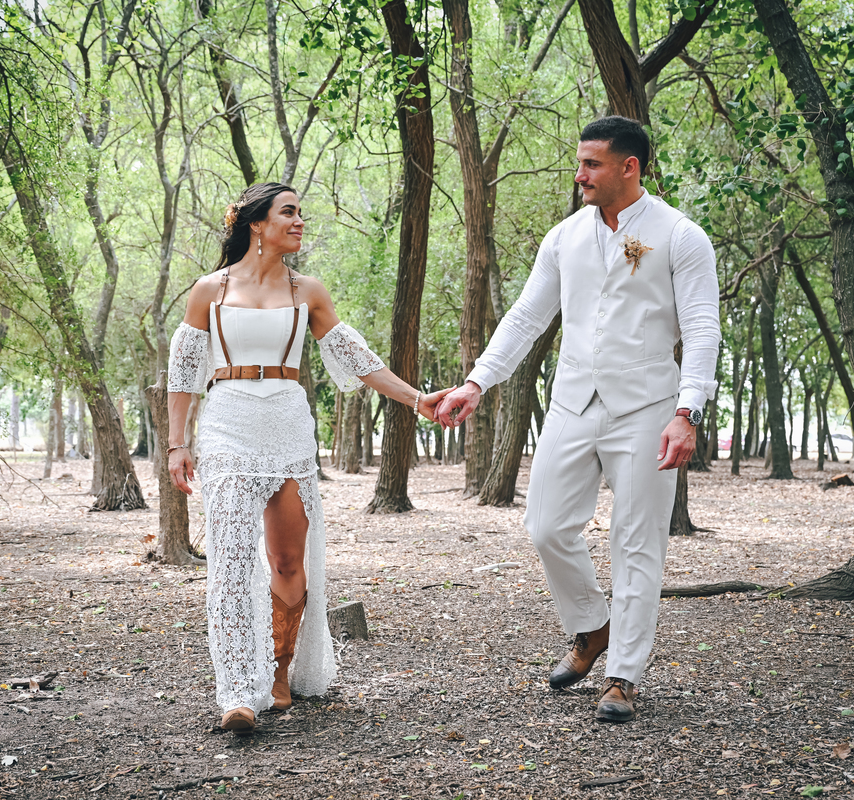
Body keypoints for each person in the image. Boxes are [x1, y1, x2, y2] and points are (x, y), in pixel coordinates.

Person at [435, 117, 719, 723]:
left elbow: (702, 330)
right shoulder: (563, 237)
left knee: (637, 542)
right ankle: (592, 626)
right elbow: (526, 316)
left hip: (647, 409)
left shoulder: (681, 236)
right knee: (546, 526)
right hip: (572, 402)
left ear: (629, 167)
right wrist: (478, 381)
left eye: (592, 164)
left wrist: (687, 412)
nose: (579, 174)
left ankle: (623, 676)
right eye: (580, 162)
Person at [166, 182, 452, 734]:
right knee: (230, 562)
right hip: (227, 426)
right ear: (256, 223)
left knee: (287, 561)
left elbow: (358, 358)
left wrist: (417, 399)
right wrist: (178, 443)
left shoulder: (309, 291)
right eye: (289, 212)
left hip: (288, 425)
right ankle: (238, 692)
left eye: (301, 213)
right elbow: (182, 374)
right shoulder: (208, 290)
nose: (299, 222)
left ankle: (279, 670)